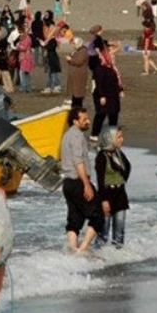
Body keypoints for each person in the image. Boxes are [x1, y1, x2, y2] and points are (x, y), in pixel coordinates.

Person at [60, 107, 103, 254]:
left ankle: (72, 251)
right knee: (98, 214)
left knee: (74, 219)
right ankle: (83, 250)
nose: (88, 121)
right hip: (78, 181)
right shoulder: (77, 136)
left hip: (67, 184)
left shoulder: (66, 135)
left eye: (87, 118)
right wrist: (87, 185)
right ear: (75, 121)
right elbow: (78, 162)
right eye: (84, 119)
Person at [95, 126, 131, 248]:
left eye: (122, 136)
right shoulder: (101, 156)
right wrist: (104, 201)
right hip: (107, 196)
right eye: (119, 137)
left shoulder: (119, 154)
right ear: (109, 138)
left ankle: (119, 257)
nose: (122, 139)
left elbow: (128, 167)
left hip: (120, 196)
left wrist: (121, 181)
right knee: (103, 232)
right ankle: (99, 257)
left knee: (119, 231)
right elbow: (100, 180)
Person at [65, 36, 89, 108]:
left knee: (78, 93)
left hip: (79, 75)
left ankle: (77, 107)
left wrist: (70, 60)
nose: (73, 46)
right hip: (76, 74)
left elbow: (79, 62)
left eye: (74, 44)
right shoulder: (78, 50)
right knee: (75, 93)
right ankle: (75, 106)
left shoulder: (83, 51)